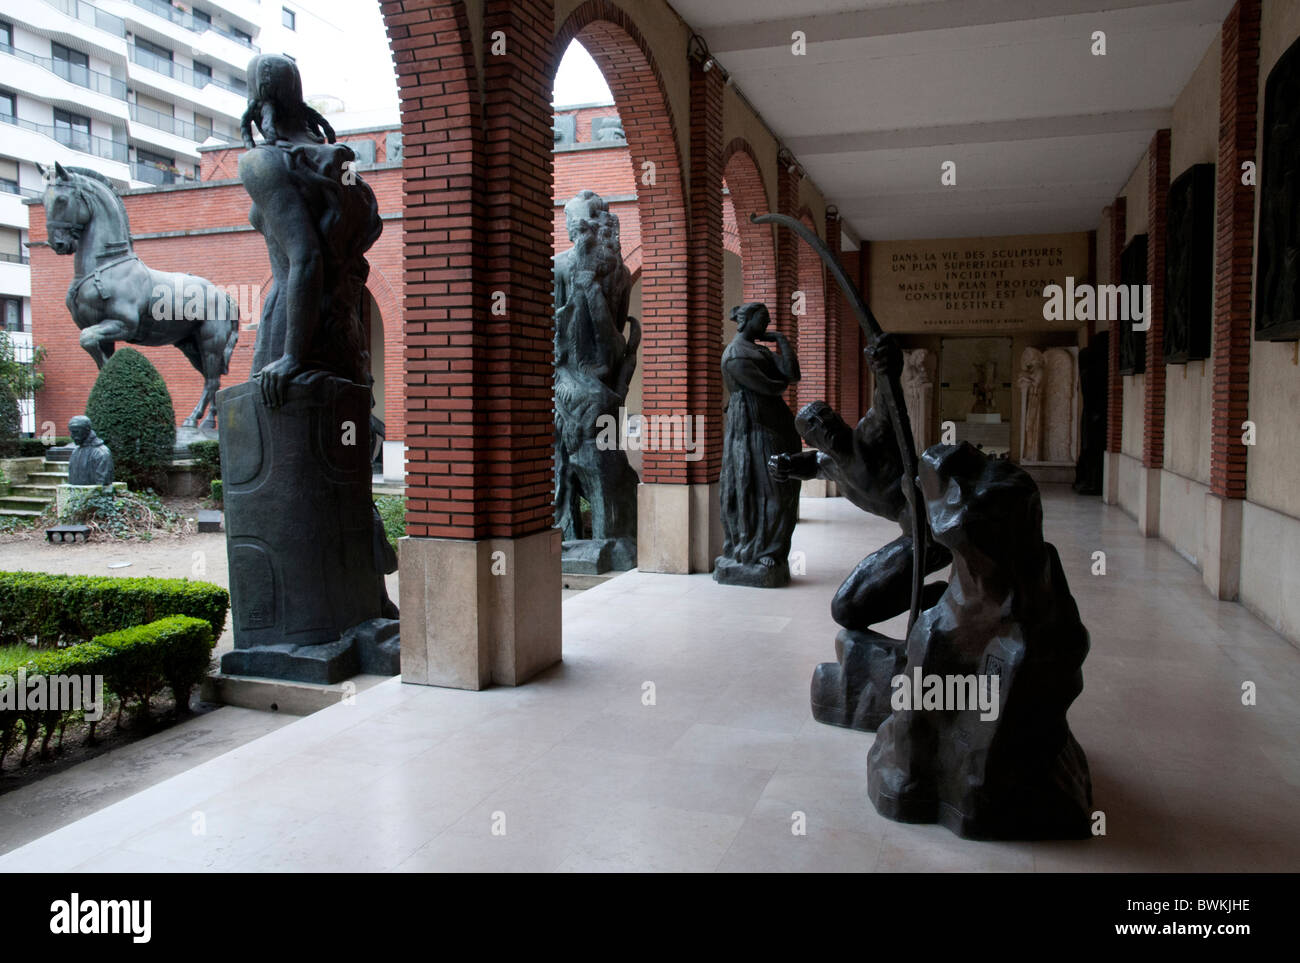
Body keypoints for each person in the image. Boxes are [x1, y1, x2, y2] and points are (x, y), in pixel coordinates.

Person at [715, 302, 802, 587]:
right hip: (752, 429)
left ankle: (773, 549)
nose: (766, 325)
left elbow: (792, 374)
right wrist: (780, 382)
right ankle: (757, 549)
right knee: (765, 488)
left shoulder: (760, 349)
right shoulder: (735, 355)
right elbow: (772, 387)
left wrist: (781, 340)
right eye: (762, 319)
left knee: (782, 487)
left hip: (774, 426)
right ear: (747, 319)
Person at [66, 415, 113, 489]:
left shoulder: (101, 453)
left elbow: (103, 487)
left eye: (76, 432)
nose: (72, 436)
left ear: (87, 430)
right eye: (71, 432)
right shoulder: (75, 451)